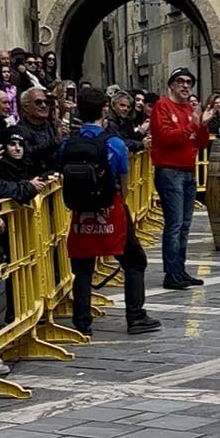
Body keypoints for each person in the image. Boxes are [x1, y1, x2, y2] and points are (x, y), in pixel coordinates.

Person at [60, 87, 160, 337]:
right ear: (104, 110)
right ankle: (135, 316)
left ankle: (82, 321)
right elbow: (124, 179)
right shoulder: (113, 143)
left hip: (80, 212)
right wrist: (120, 201)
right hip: (110, 208)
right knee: (134, 261)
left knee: (83, 266)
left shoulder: (68, 144)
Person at [150, 67, 215, 289]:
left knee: (185, 225)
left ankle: (179, 269)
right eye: (180, 81)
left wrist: (202, 124)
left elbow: (201, 143)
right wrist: (194, 124)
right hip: (170, 171)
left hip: (188, 171)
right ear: (171, 84)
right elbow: (167, 138)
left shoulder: (189, 109)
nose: (186, 85)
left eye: (189, 82)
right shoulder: (162, 107)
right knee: (175, 224)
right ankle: (171, 273)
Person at [14, 86, 62, 178]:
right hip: (33, 178)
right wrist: (55, 142)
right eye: (38, 102)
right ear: (26, 107)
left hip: (55, 176)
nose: (44, 106)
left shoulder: (53, 126)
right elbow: (28, 154)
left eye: (46, 102)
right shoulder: (19, 130)